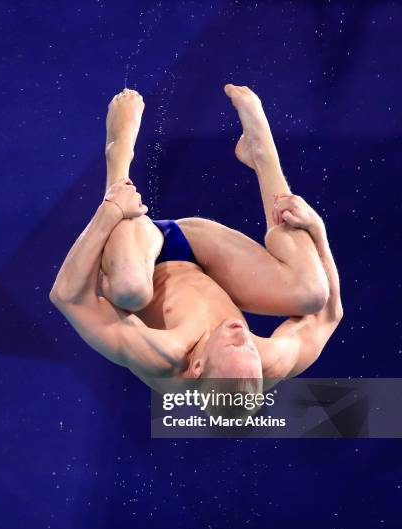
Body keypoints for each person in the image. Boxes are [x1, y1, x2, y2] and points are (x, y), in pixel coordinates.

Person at [49, 85, 343, 393]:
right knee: (312, 293)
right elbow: (330, 315)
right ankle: (261, 154)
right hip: (204, 253)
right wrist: (317, 228)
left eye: (233, 348)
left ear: (198, 366)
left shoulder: (160, 357)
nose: (242, 335)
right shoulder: (271, 362)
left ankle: (118, 156)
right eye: (251, 350)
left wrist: (110, 212)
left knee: (129, 290)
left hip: (143, 251)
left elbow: (67, 296)